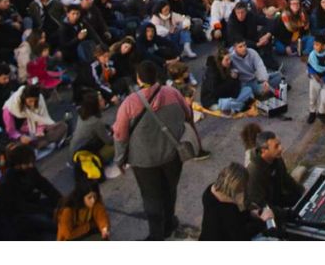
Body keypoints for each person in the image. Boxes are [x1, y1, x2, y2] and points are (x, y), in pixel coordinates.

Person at [112, 60, 196, 240]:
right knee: (169, 190)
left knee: (151, 197)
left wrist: (119, 160)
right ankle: (169, 223)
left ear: (138, 78)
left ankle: (157, 235)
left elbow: (120, 134)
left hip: (144, 161)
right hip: (173, 155)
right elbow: (188, 115)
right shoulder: (172, 93)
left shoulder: (129, 103)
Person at [0, 143, 62, 239]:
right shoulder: (7, 182)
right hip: (20, 215)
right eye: (27, 163)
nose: (31, 165)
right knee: (51, 223)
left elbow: (44, 185)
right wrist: (48, 211)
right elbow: (20, 206)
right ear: (18, 164)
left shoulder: (29, 170)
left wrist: (60, 200)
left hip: (32, 203)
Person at [199, 162, 274, 241]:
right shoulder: (227, 210)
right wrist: (261, 221)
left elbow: (236, 215)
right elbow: (241, 235)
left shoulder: (210, 192)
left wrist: (250, 214)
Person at [245, 129, 303, 220]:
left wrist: (302, 191)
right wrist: (285, 213)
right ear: (264, 151)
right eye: (276, 146)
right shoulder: (254, 173)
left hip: (278, 199)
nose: (281, 148)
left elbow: (286, 178)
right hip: (266, 212)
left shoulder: (276, 158)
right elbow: (260, 204)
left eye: (279, 144)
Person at [2, 83, 68, 150]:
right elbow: (11, 131)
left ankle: (40, 144)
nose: (33, 104)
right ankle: (41, 144)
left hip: (38, 134)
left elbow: (42, 119)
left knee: (62, 126)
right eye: (30, 101)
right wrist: (20, 137)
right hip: (23, 136)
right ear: (23, 99)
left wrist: (40, 130)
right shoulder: (10, 108)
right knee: (15, 147)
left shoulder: (39, 99)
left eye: (35, 101)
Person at [306, 35, 325, 125]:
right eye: (314, 44)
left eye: (317, 45)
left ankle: (321, 113)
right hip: (314, 80)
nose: (314, 47)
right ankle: (312, 112)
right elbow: (309, 66)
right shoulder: (312, 55)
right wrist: (315, 75)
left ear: (324, 46)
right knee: (312, 98)